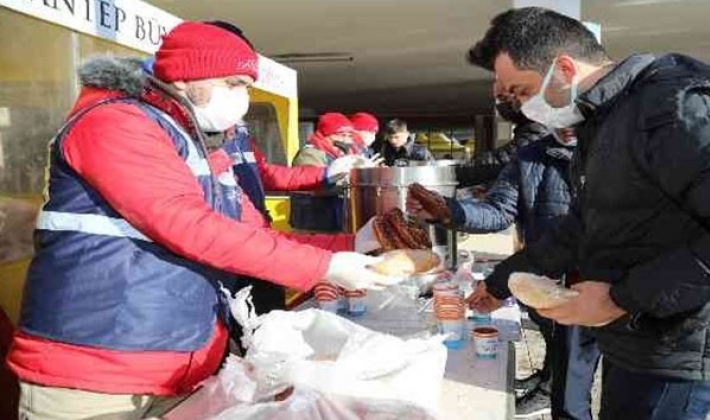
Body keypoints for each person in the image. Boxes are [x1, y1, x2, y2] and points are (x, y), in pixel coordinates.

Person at [6, 21, 394, 419]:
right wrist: (325, 267)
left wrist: (352, 246)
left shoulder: (200, 141)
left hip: (180, 362)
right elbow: (187, 224)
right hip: (99, 371)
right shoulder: (115, 122)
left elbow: (249, 229)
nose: (243, 96)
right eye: (234, 82)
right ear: (187, 77)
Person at [467, 7, 710, 420]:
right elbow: (581, 227)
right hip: (634, 337)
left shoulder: (673, 107)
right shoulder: (606, 119)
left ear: (563, 67)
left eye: (522, 92)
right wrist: (501, 281)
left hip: (680, 352)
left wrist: (619, 298)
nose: (524, 110)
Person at [408, 126, 600, 420]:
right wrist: (447, 212)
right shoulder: (530, 157)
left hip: (620, 288)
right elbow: (497, 211)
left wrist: (501, 283)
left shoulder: (615, 147)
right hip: (560, 290)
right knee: (569, 399)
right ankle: (549, 387)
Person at [290, 113, 360, 233]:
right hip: (313, 223)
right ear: (326, 135)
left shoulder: (339, 153)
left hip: (331, 220)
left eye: (349, 136)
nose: (346, 140)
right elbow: (314, 185)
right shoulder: (311, 154)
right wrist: (350, 185)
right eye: (341, 135)